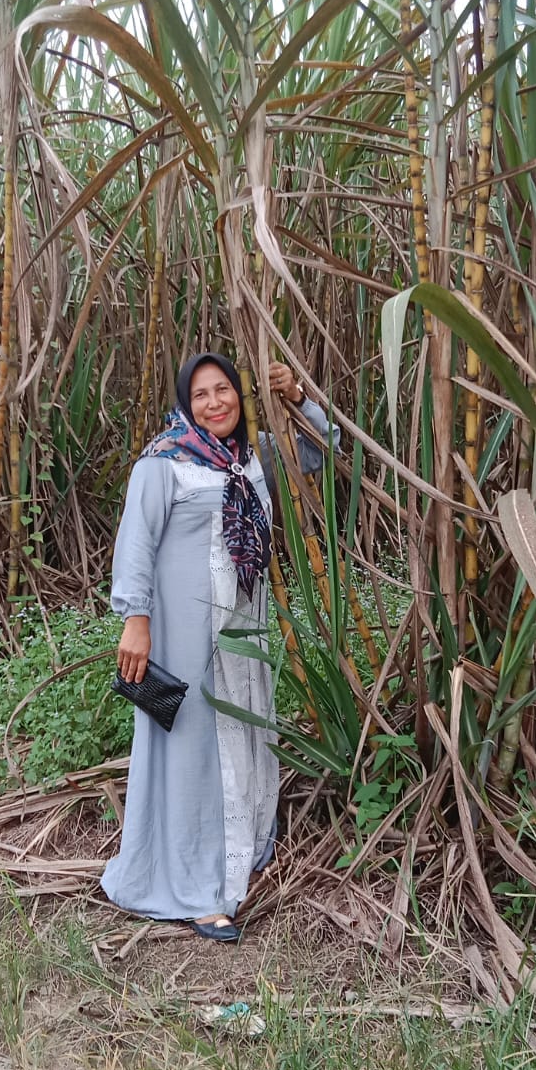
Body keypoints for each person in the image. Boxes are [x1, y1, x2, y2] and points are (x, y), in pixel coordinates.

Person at [101, 352, 338, 941]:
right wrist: (135, 620)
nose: (215, 402)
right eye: (202, 394)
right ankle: (194, 887)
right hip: (181, 632)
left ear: (239, 392)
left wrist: (297, 396)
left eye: (224, 389)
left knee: (239, 732)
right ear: (187, 402)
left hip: (240, 630)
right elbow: (136, 543)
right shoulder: (164, 463)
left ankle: (236, 852)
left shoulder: (251, 457)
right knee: (191, 746)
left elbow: (323, 449)